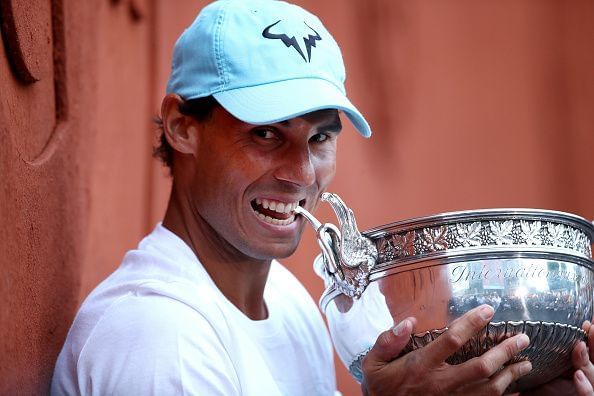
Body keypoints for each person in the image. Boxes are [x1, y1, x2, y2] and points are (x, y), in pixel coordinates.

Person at [51, 0, 594, 395]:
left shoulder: (288, 303)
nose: (301, 172)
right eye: (265, 134)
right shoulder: (158, 337)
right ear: (181, 127)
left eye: (320, 137)